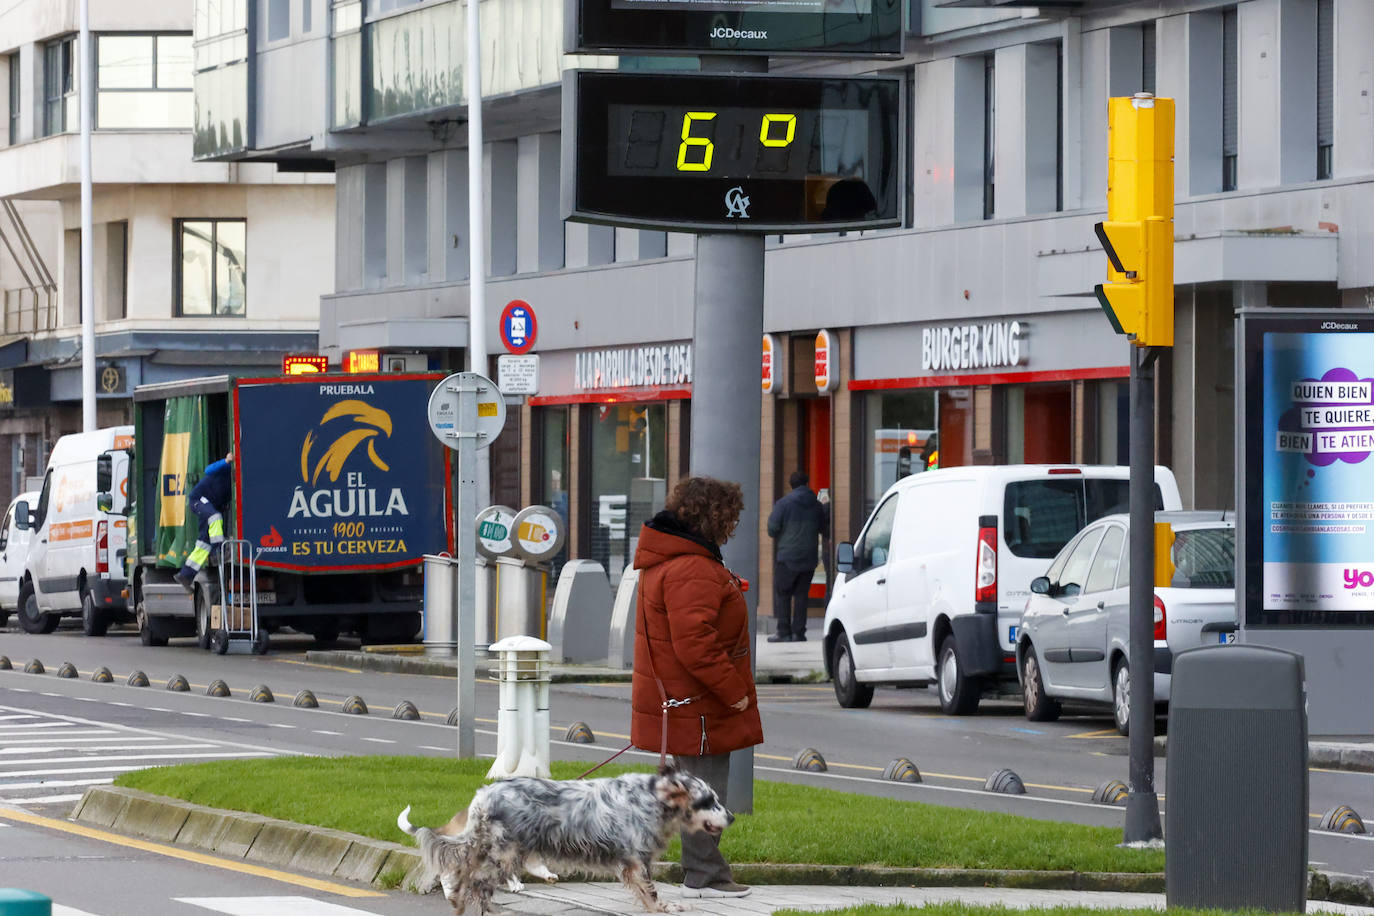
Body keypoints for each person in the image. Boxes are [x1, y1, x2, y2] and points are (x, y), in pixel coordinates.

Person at [630, 476, 762, 900]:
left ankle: (697, 871)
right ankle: (705, 875)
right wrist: (733, 690)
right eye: (731, 517)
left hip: (686, 698)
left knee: (689, 790)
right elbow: (695, 644)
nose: (733, 525)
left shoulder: (675, 560)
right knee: (704, 791)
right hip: (701, 702)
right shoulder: (692, 566)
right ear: (714, 516)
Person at [766, 470, 828, 643]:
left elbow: (772, 529)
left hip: (787, 557)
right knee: (802, 596)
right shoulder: (816, 506)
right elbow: (825, 528)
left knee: (783, 594)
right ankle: (799, 633)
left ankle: (783, 632)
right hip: (808, 558)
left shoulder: (783, 504)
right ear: (807, 484)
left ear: (791, 485)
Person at [175, 451, 233, 591]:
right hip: (199, 499)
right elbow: (208, 470)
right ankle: (218, 550)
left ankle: (185, 575)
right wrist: (226, 461)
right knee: (215, 517)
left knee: (203, 543)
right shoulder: (227, 467)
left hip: (211, 504)